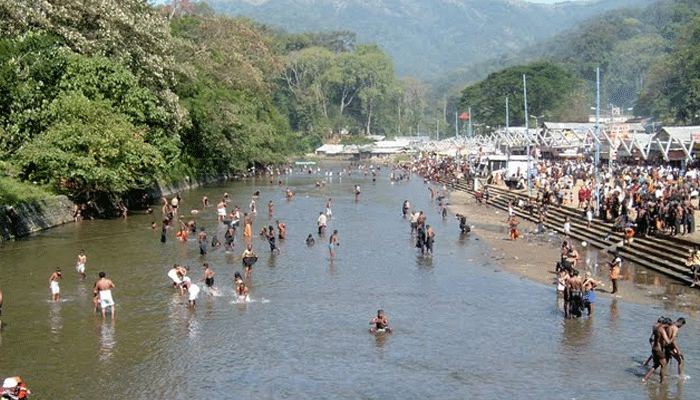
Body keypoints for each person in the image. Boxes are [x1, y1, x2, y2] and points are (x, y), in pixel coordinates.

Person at [643, 317, 672, 383]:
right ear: (667, 324)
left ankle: (645, 378)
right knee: (663, 364)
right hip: (659, 349)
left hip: (654, 348)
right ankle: (662, 381)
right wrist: (673, 337)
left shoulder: (656, 327)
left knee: (656, 365)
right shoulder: (662, 329)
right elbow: (667, 341)